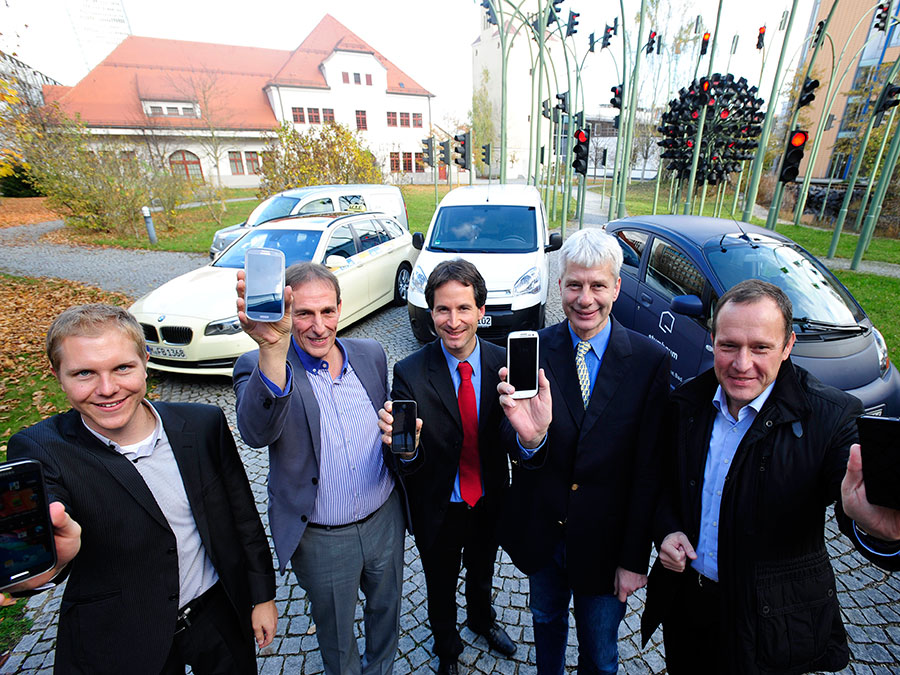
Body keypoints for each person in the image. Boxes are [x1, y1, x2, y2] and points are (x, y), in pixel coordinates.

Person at [640, 279, 900, 674]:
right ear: (712, 340)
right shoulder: (686, 403)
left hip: (769, 623)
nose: (742, 364)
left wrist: (874, 527)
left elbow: (854, 495)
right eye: (729, 346)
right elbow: (664, 486)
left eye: (760, 347)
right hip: (687, 609)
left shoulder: (829, 418)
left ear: (788, 346)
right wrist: (668, 528)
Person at [7, 304, 277, 675]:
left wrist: (262, 596)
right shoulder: (40, 449)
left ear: (145, 360)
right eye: (84, 373)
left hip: (219, 616)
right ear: (57, 375)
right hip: (124, 636)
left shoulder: (202, 424)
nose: (107, 389)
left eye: (122, 367)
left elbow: (242, 517)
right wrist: (51, 562)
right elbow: (39, 541)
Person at [497, 229, 670, 674]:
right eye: (574, 285)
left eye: (597, 285)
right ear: (560, 287)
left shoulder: (649, 361)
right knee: (546, 624)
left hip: (608, 547)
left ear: (617, 286)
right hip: (545, 539)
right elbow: (508, 434)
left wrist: (634, 559)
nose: (585, 298)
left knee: (600, 651)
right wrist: (530, 442)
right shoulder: (533, 350)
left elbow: (650, 470)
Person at [233, 262, 409, 675]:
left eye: (327, 311)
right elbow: (256, 432)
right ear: (285, 312)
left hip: (385, 520)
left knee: (387, 611)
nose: (317, 326)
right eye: (303, 314)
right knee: (335, 632)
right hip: (322, 539)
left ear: (340, 308)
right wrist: (272, 351)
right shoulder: (261, 365)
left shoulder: (371, 355)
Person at [377, 260, 515, 675]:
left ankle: (481, 618)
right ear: (430, 311)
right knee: (439, 584)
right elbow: (402, 457)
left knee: (483, 567)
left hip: (488, 497)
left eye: (463, 309)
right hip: (439, 504)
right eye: (442, 310)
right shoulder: (410, 371)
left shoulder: (503, 364)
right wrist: (406, 451)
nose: (453, 321)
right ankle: (448, 649)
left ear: (481, 311)